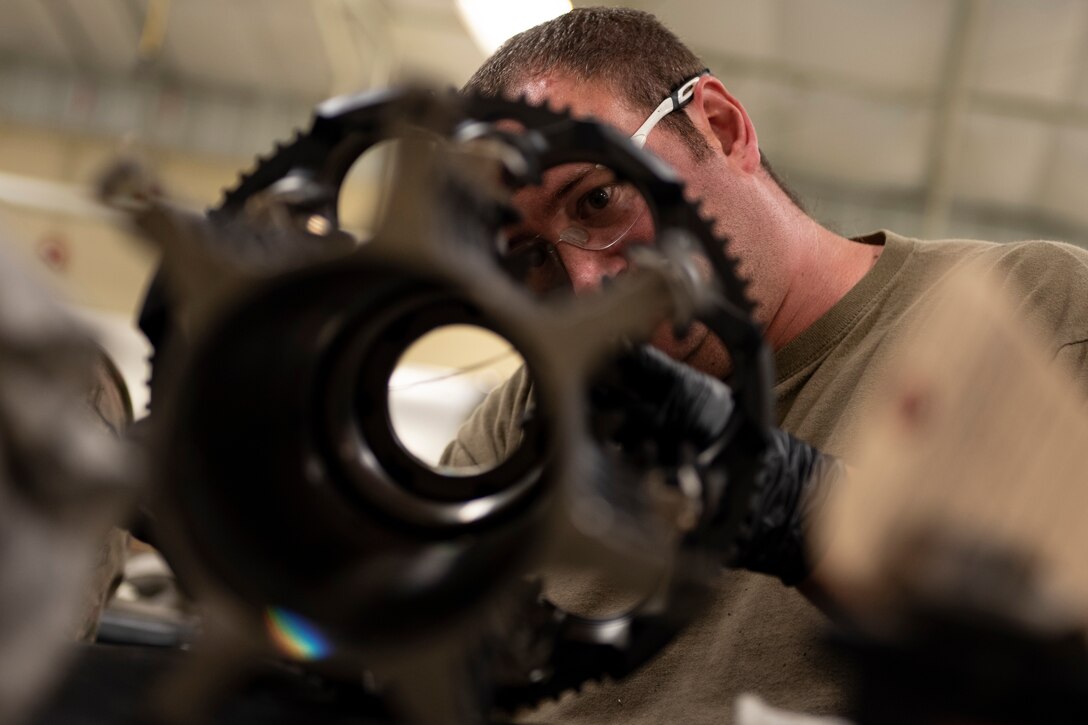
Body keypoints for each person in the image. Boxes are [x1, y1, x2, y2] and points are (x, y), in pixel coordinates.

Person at [443, 7, 1088, 723]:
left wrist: (808, 515)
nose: (586, 285)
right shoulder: (515, 425)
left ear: (721, 127)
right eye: (530, 258)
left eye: (598, 199)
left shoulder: (1037, 309)